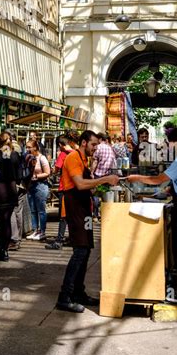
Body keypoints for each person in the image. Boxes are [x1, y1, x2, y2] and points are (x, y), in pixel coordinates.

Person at [127, 127, 177, 303]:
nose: (169, 146)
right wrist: (174, 188)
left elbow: (157, 179)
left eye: (171, 143)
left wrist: (137, 177)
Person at [56, 130, 120, 313]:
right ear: (84, 142)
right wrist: (105, 178)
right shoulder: (73, 158)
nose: (95, 148)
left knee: (86, 250)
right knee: (79, 251)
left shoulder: (85, 159)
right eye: (93, 145)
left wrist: (103, 185)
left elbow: (88, 186)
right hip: (74, 208)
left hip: (84, 209)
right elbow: (80, 184)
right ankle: (64, 297)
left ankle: (78, 292)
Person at [0, 133, 19, 261]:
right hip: (11, 190)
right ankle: (6, 250)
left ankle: (2, 250)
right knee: (7, 220)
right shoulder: (15, 155)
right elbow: (19, 175)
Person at [45, 135, 72, 250]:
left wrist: (51, 172)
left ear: (60, 145)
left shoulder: (62, 154)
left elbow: (56, 169)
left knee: (63, 216)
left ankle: (59, 241)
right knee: (71, 215)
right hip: (73, 188)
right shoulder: (75, 153)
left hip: (64, 187)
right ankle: (72, 238)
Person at [25, 140, 50, 241]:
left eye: (29, 147)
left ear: (35, 147)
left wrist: (36, 176)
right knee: (32, 210)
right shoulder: (28, 158)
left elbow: (48, 172)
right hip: (31, 186)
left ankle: (42, 231)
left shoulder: (42, 158)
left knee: (41, 210)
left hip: (40, 185)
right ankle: (35, 230)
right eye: (26, 147)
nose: (27, 149)